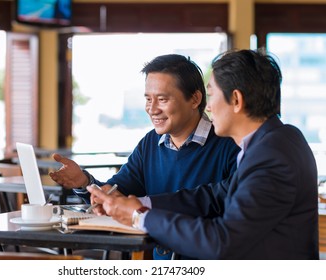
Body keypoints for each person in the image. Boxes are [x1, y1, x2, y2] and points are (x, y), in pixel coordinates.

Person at [87, 49, 319, 260]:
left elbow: (222, 241)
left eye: (211, 95)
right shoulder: (277, 140)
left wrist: (140, 217)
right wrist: (141, 203)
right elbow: (213, 196)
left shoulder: (271, 156)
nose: (207, 107)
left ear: (236, 100)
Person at [49, 54, 240, 259]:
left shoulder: (229, 145)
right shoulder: (150, 144)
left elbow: (231, 218)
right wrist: (84, 182)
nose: (152, 109)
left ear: (195, 99)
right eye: (148, 99)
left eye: (162, 99)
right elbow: (114, 196)